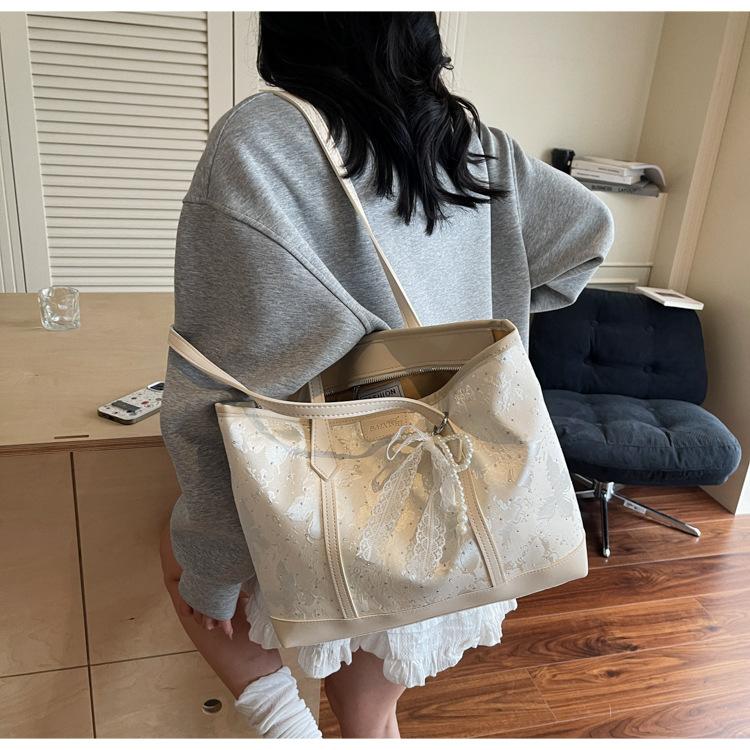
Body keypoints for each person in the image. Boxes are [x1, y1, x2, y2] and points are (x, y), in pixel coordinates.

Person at [159, 11, 615, 740]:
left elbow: (220, 381)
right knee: (371, 723)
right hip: (459, 492)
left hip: (329, 494)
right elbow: (586, 232)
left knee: (175, 554)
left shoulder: (264, 140)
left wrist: (210, 566)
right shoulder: (471, 142)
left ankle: (283, 726)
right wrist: (476, 304)